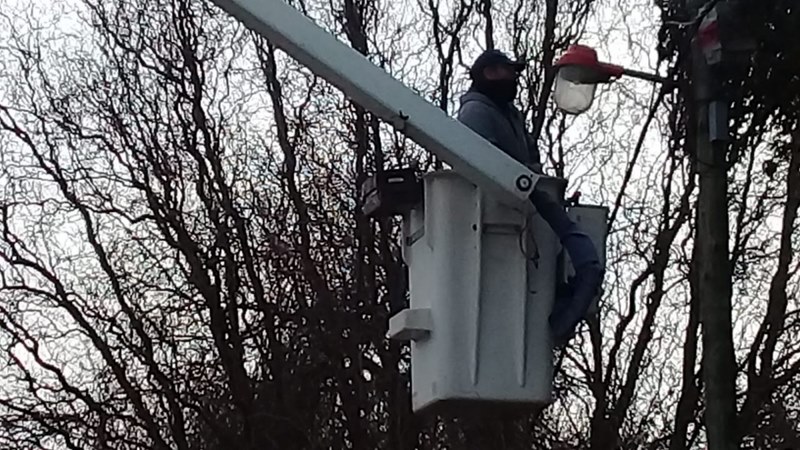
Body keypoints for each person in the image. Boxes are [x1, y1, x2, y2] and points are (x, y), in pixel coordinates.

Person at [457, 49, 604, 345]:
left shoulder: (510, 115)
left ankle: (566, 308)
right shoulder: (476, 113)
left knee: (581, 260)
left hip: (528, 213)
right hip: (498, 218)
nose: (514, 79)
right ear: (489, 73)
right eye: (508, 71)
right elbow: (488, 165)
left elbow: (529, 161)